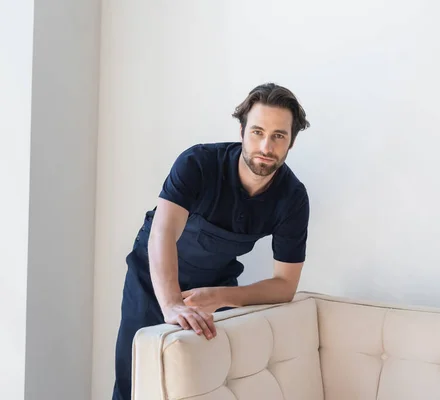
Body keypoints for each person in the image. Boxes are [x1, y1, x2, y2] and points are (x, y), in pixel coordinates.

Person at [112, 83, 311, 400]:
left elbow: (285, 285)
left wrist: (220, 296)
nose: (266, 145)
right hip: (151, 280)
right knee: (135, 379)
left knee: (204, 383)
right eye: (257, 131)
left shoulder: (293, 199)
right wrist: (172, 304)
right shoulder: (197, 164)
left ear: (291, 142)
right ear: (242, 130)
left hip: (216, 283)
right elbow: (162, 233)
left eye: (279, 136)